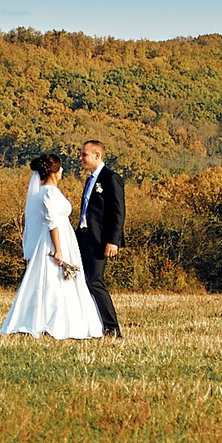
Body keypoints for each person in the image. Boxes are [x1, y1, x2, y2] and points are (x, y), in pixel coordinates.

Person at [0, 154, 104, 340]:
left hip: (65, 237)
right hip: (55, 239)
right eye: (60, 168)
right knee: (55, 279)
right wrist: (59, 249)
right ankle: (54, 321)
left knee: (58, 280)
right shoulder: (49, 193)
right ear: (54, 171)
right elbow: (52, 222)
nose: (63, 171)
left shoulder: (49, 192)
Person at [73, 140, 124, 338]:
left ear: (97, 156)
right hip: (84, 237)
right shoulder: (89, 180)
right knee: (82, 281)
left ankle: (112, 327)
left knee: (95, 281)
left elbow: (118, 212)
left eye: (84, 154)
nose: (80, 158)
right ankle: (91, 324)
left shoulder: (111, 178)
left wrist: (113, 240)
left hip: (100, 240)